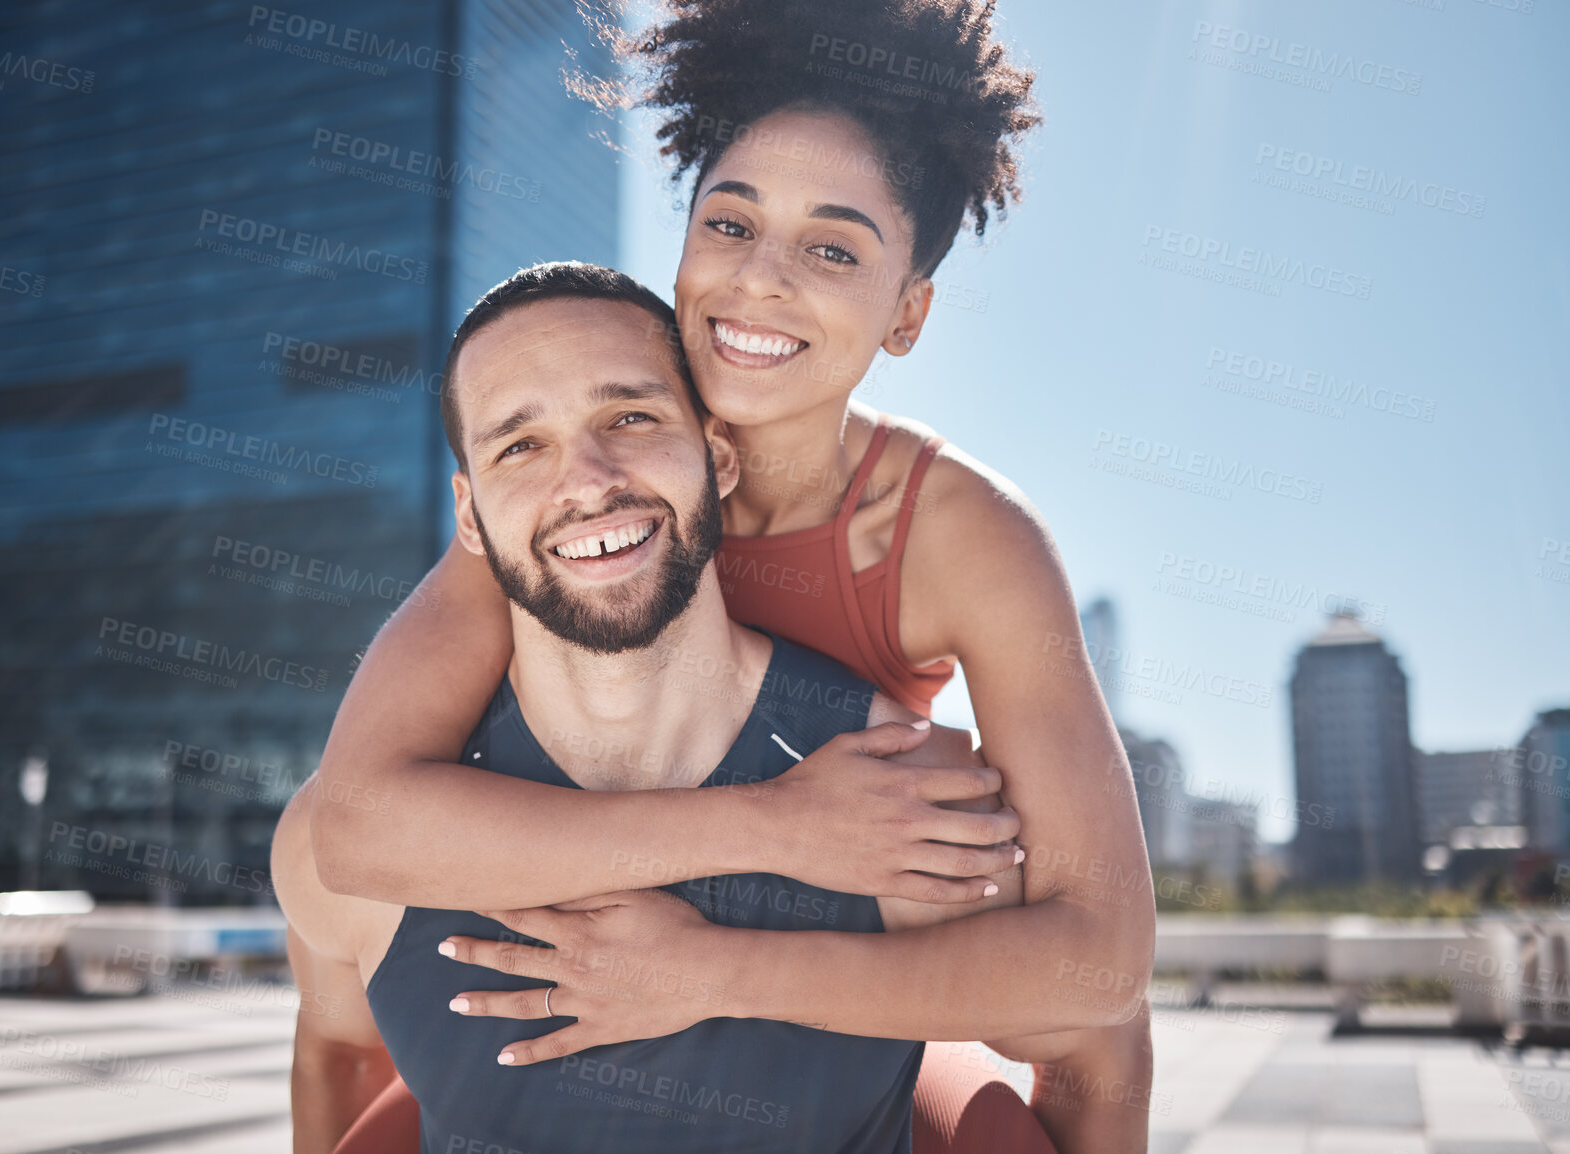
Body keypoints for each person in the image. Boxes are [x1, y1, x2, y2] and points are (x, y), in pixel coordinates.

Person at [311, 0, 1156, 1150]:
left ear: (907, 312)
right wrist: (769, 828)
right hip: (626, 881)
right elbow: (355, 824)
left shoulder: (961, 534)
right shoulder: (590, 480)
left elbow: (1099, 961)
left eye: (834, 248)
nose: (760, 280)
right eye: (731, 221)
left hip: (836, 951)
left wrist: (720, 966)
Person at [277, 264, 1041, 1153]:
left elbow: (1088, 1037)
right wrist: (770, 829)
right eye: (520, 446)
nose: (588, 480)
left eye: (629, 417)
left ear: (717, 457)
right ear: (472, 517)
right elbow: (335, 1052)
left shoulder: (906, 801)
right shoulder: (344, 842)